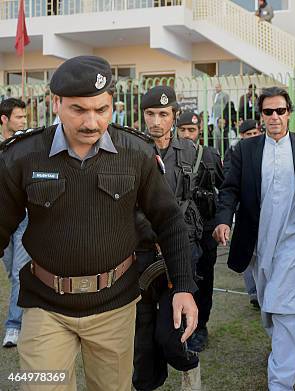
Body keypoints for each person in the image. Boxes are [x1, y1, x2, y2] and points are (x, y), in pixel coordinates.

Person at [0, 55, 197, 391]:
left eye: (102, 109)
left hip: (114, 307)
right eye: (79, 109)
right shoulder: (22, 155)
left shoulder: (135, 152)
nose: (92, 122)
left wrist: (183, 287)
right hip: (44, 306)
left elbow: (169, 221)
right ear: (56, 103)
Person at [213, 86, 295, 391]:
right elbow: (229, 190)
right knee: (270, 306)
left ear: (289, 113)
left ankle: (281, 382)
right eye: (268, 112)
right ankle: (284, 349)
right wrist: (224, 220)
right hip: (259, 243)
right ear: (261, 116)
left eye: (280, 111)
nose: (274, 117)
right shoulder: (245, 150)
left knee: (288, 309)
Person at [133, 86, 203, 391]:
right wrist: (154, 233)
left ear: (174, 116)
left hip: (179, 256)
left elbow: (206, 199)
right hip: (140, 254)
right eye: (150, 113)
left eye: (163, 114)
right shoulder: (130, 150)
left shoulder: (193, 153)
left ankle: (189, 368)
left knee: (170, 336)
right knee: (142, 340)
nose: (156, 121)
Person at [176, 110, 225, 352]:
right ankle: (179, 326)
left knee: (204, 279)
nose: (187, 135)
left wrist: (220, 222)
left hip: (205, 230)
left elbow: (224, 190)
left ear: (199, 131)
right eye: (183, 130)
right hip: (178, 230)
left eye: (191, 130)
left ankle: (200, 326)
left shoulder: (210, 155)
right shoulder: (169, 155)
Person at [220, 118, 262, 308]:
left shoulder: (268, 150)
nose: (252, 137)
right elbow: (229, 183)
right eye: (248, 135)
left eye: (255, 133)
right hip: (245, 212)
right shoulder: (235, 152)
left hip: (267, 214)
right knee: (249, 254)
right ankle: (254, 292)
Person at [0, 97, 30, 348]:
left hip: (24, 218)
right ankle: (26, 307)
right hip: (2, 220)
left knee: (20, 273)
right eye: (19, 117)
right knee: (11, 272)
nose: (24, 121)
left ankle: (14, 326)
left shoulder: (27, 144)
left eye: (24, 116)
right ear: (4, 119)